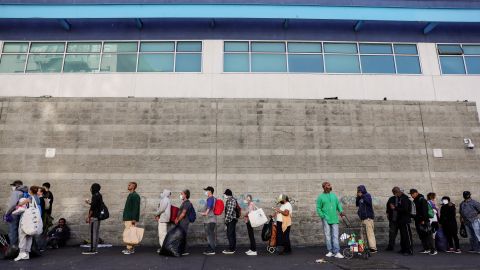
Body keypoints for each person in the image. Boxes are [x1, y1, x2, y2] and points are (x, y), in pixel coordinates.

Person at [316, 182, 344, 260]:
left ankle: (337, 252)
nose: (330, 186)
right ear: (324, 187)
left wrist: (341, 211)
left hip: (334, 218)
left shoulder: (334, 195)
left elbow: (338, 204)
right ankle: (330, 251)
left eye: (330, 185)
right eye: (328, 185)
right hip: (326, 218)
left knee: (335, 236)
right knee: (328, 236)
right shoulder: (320, 197)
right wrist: (322, 216)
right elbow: (318, 208)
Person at [14, 185, 41, 261]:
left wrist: (19, 202)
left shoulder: (30, 198)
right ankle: (27, 253)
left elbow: (19, 204)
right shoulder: (37, 198)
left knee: (22, 236)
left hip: (26, 220)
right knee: (29, 236)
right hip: (33, 221)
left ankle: (21, 253)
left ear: (31, 191)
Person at [409, 189, 437, 255]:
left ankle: (433, 250)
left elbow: (424, 211)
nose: (411, 195)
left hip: (423, 221)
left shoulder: (422, 200)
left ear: (416, 193)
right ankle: (426, 248)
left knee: (428, 235)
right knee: (422, 236)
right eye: (411, 194)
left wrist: (423, 220)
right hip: (418, 220)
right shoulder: (415, 201)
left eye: (413, 193)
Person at [5, 180, 28, 248]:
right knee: (21, 231)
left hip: (14, 213)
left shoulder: (16, 192)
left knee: (12, 231)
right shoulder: (25, 192)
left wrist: (7, 213)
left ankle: (13, 248)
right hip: (22, 213)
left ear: (17, 185)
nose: (12, 187)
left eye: (13, 185)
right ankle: (22, 247)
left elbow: (13, 205)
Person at [391, 187, 413, 256]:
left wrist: (395, 208)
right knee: (403, 235)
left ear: (396, 192)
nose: (395, 195)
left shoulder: (404, 199)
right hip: (401, 220)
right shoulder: (400, 199)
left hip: (405, 220)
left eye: (394, 193)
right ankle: (403, 249)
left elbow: (405, 209)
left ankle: (409, 250)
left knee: (407, 235)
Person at [83, 183, 103, 255]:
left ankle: (92, 249)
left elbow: (93, 208)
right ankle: (95, 248)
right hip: (98, 217)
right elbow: (95, 205)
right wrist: (89, 203)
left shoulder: (94, 196)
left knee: (92, 233)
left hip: (94, 217)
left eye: (91, 188)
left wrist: (88, 217)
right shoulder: (99, 195)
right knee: (96, 233)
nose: (90, 189)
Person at [356, 185, 377, 253]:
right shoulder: (360, 197)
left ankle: (373, 248)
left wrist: (362, 196)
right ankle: (362, 247)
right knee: (362, 233)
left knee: (369, 233)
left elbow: (368, 202)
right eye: (358, 190)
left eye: (359, 190)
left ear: (362, 190)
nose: (358, 191)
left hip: (368, 218)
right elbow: (357, 204)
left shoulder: (367, 195)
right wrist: (357, 197)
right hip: (362, 218)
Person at [122, 182, 141, 255]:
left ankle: (129, 249)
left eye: (129, 185)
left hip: (131, 218)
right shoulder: (130, 195)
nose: (128, 186)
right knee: (130, 233)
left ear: (133, 186)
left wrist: (133, 218)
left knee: (129, 233)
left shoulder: (135, 196)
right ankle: (131, 248)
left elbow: (135, 208)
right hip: (128, 218)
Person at [174, 189, 192, 256]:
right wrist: (177, 218)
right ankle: (181, 249)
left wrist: (177, 219)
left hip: (184, 222)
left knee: (183, 236)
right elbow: (180, 212)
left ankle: (183, 251)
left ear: (185, 195)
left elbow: (183, 213)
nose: (180, 195)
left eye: (182, 194)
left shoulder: (187, 203)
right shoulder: (184, 203)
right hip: (181, 221)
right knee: (181, 235)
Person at [201, 186, 217, 255]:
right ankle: (211, 247)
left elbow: (209, 206)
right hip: (212, 219)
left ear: (210, 191)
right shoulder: (214, 198)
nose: (205, 192)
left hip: (209, 220)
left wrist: (205, 213)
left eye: (206, 190)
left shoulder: (210, 199)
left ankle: (212, 250)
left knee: (209, 235)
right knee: (211, 234)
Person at [155, 189, 171, 253]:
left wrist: (156, 214)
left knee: (162, 234)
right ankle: (163, 248)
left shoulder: (165, 200)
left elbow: (161, 209)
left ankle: (163, 249)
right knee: (162, 234)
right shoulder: (166, 199)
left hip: (163, 219)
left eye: (162, 192)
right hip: (163, 219)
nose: (161, 193)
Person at [223, 189, 238, 254]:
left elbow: (229, 212)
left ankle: (231, 249)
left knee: (230, 234)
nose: (224, 196)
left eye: (225, 194)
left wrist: (226, 221)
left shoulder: (231, 200)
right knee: (232, 234)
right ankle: (233, 248)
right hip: (232, 219)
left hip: (231, 219)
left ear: (228, 194)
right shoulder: (230, 200)